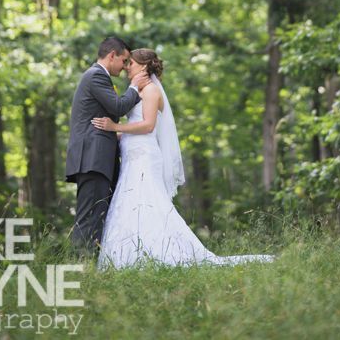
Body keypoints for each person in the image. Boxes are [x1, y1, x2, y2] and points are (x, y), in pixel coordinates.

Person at [91, 48, 274, 268]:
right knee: (129, 204)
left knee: (146, 203)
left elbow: (148, 126)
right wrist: (112, 134)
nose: (127, 66)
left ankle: (156, 254)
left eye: (131, 63)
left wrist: (114, 126)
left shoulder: (150, 91)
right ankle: (127, 257)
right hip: (132, 155)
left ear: (143, 66)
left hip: (144, 157)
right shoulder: (138, 90)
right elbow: (134, 127)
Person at [65, 36, 149, 257]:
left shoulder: (99, 77)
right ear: (112, 55)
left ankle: (92, 263)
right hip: (92, 159)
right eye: (123, 60)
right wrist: (133, 87)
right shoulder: (95, 76)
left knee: (98, 215)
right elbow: (118, 106)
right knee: (89, 217)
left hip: (99, 159)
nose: (124, 67)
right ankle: (78, 266)